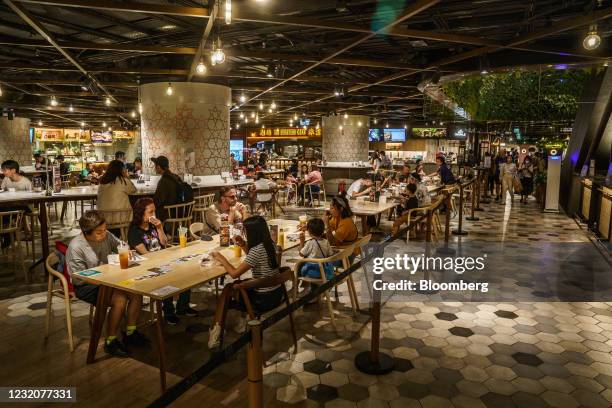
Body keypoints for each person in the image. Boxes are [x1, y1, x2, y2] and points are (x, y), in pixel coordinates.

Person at [66, 210, 149, 357]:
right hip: (87, 286)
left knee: (136, 291)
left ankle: (130, 332)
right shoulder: (76, 247)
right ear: (86, 232)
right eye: (99, 232)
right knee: (120, 300)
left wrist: (126, 250)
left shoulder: (106, 235)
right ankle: (110, 341)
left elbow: (120, 244)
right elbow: (78, 278)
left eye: (104, 230)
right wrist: (106, 275)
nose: (104, 234)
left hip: (108, 280)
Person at [208, 215, 283, 348]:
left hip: (263, 299)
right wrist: (243, 245)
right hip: (276, 293)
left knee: (227, 290)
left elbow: (234, 274)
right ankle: (240, 322)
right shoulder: (270, 244)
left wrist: (221, 258)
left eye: (246, 231)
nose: (244, 233)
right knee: (237, 285)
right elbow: (255, 258)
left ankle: (215, 332)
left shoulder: (256, 250)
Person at [128, 198, 197, 324]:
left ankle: (183, 307)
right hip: (146, 266)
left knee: (187, 271)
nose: (153, 215)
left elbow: (164, 243)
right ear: (140, 213)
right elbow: (147, 255)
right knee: (168, 275)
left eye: (154, 211)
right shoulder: (134, 231)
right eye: (150, 212)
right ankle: (169, 312)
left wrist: (159, 228)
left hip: (161, 260)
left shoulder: (153, 226)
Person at [298, 218, 335, 291]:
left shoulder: (310, 243)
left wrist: (302, 242)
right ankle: (311, 289)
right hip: (324, 271)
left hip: (312, 271)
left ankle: (301, 287)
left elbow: (301, 254)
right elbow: (330, 254)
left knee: (299, 266)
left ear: (309, 232)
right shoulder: (326, 242)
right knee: (305, 260)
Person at [97, 160, 136, 227]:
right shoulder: (122, 180)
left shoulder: (102, 181)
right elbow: (133, 190)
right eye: (124, 168)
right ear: (121, 170)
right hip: (120, 217)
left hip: (103, 217)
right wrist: (126, 176)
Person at [151, 156, 182, 222]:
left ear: (159, 167)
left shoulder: (163, 181)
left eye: (155, 166)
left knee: (147, 212)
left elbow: (157, 201)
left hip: (168, 214)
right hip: (179, 211)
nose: (154, 168)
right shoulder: (176, 177)